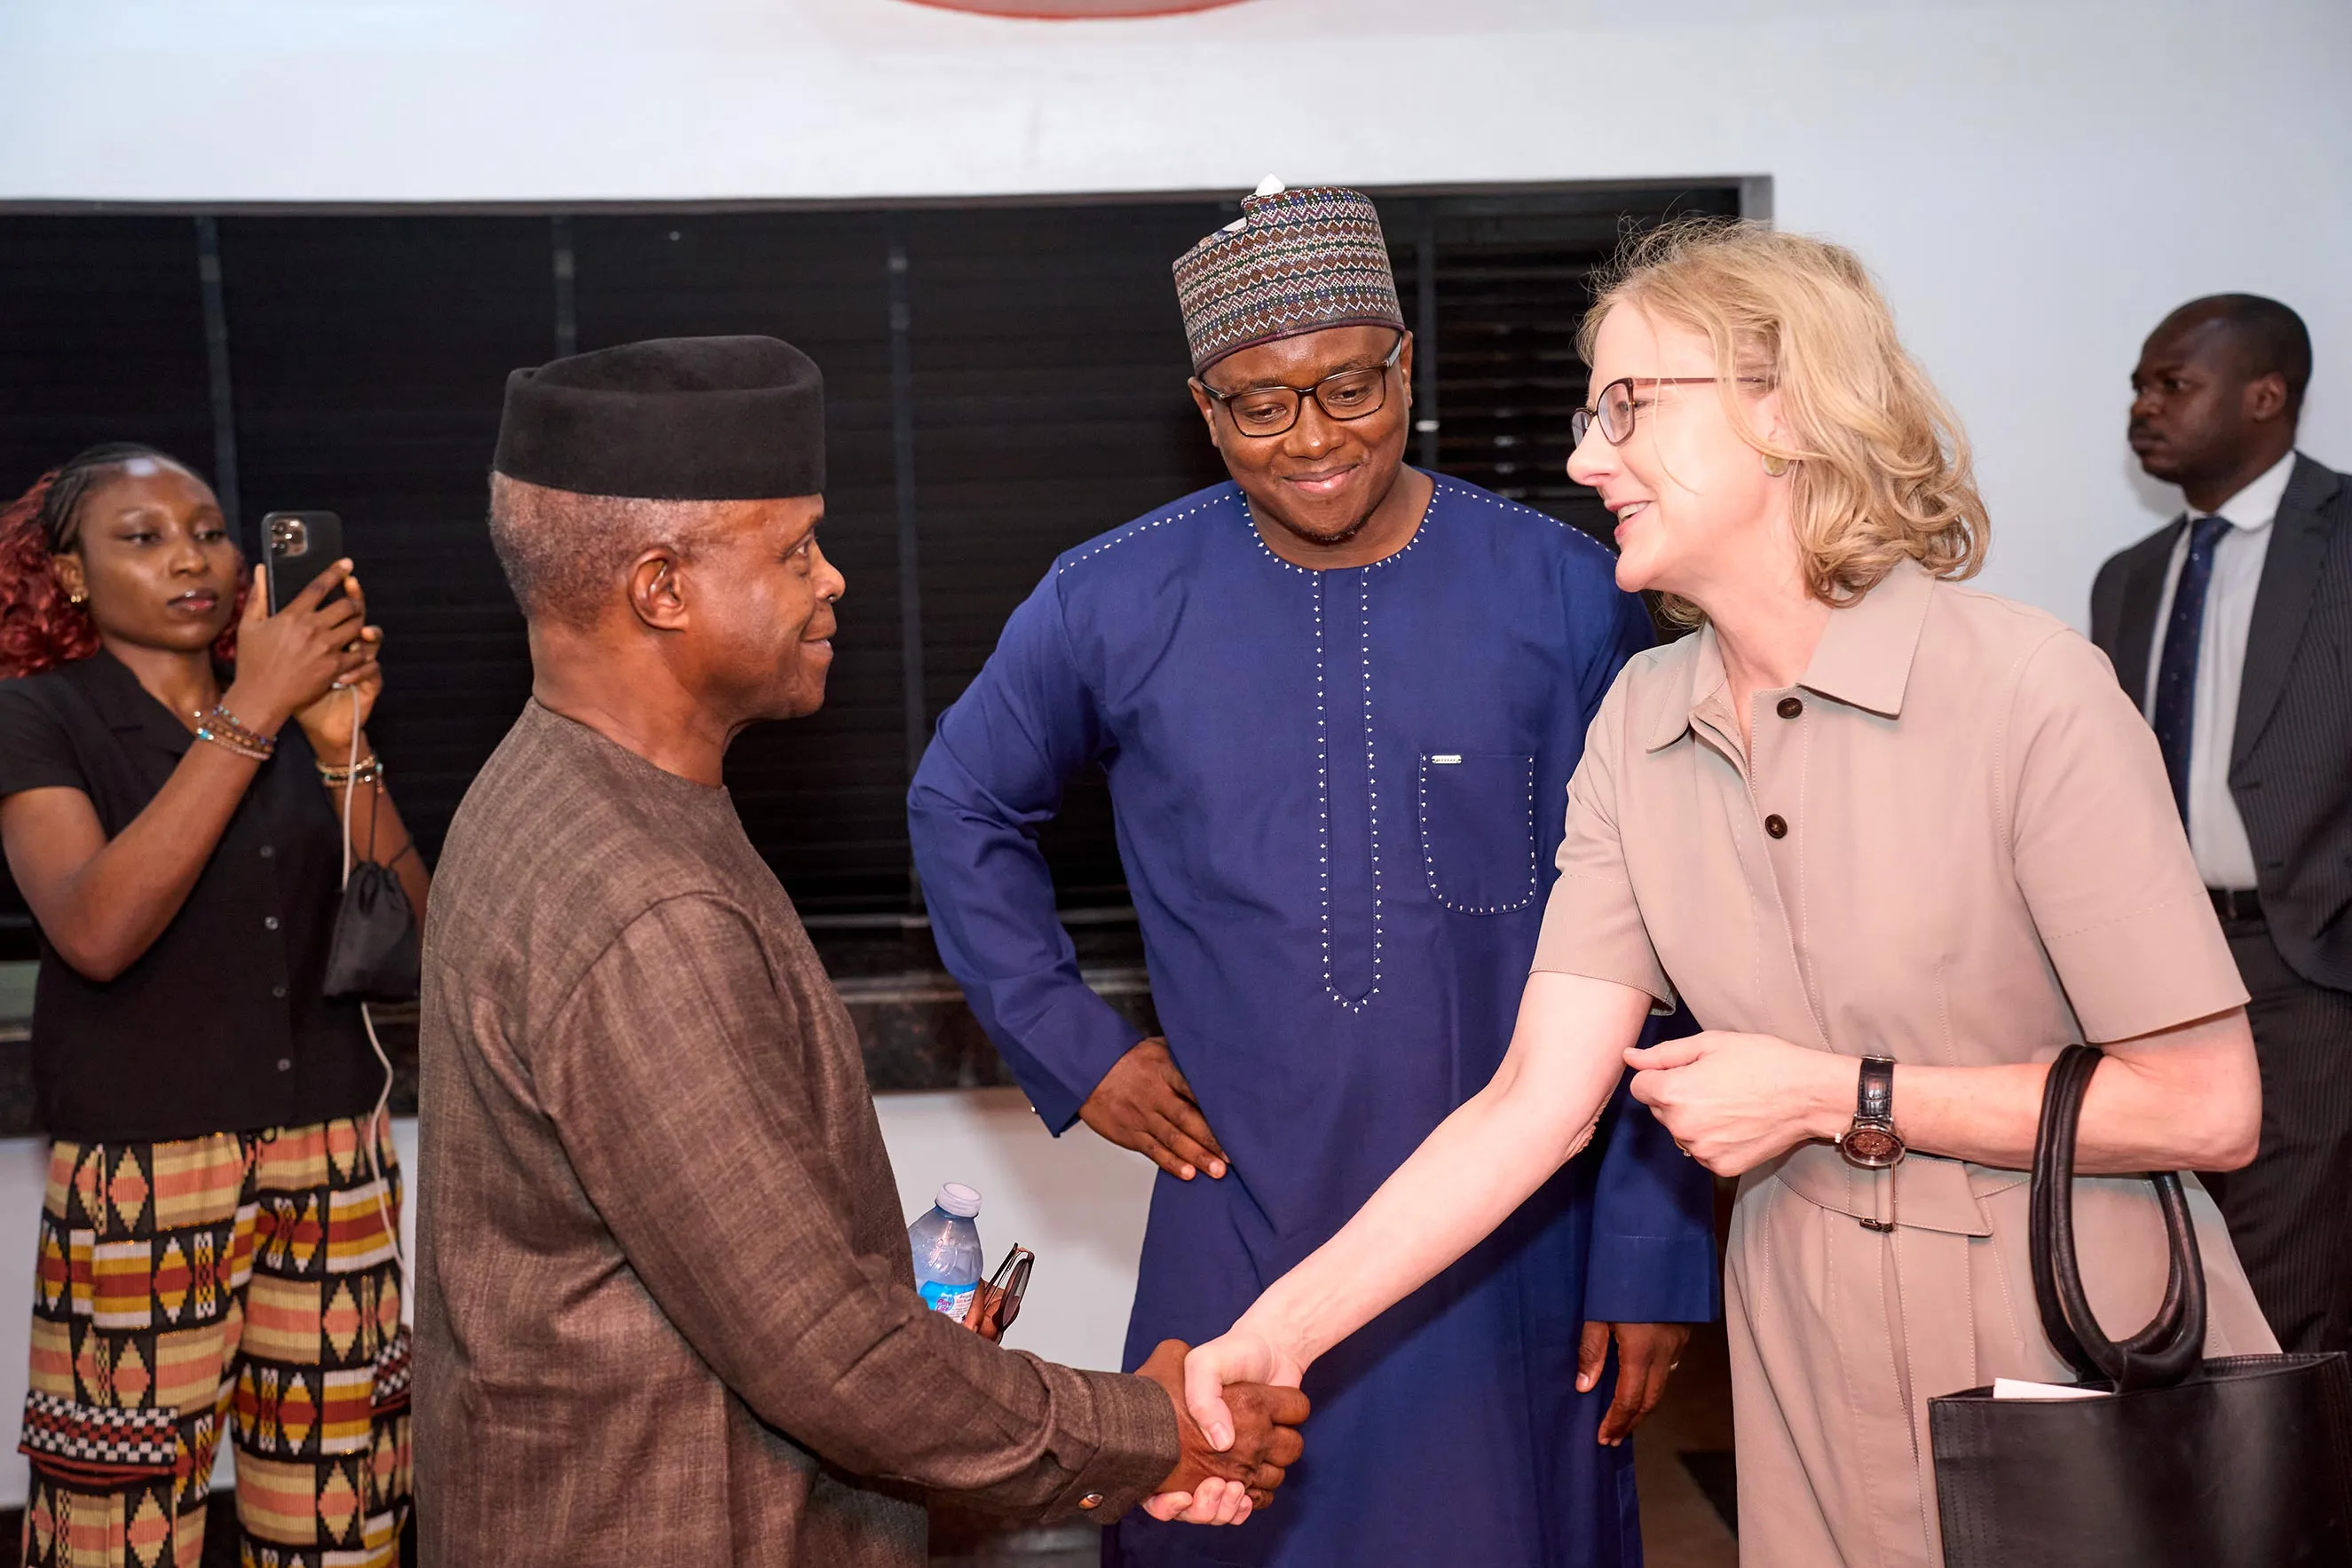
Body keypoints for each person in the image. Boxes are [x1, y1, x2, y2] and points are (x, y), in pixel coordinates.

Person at [1177, 221, 2280, 1566]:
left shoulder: (2025, 687)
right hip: (1801, 1349)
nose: (1587, 459)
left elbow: (2204, 1104)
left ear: (1788, 408)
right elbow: (1533, 1102)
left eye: (1627, 407)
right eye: (1592, 415)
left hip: (2071, 1330)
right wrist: (1270, 1334)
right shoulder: (1638, 720)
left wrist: (1837, 1093)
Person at [908, 184, 1715, 1568]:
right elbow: (960, 799)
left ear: (1405, 365)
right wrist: (1071, 1043)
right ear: (1204, 407)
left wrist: (1645, 1245)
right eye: (1259, 405)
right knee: (1219, 1511)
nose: (1315, 438)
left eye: (1349, 387)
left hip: (1510, 1228)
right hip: (1241, 1198)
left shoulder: (1568, 589)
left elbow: (1669, 932)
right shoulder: (1111, 597)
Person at [413, 335, 1307, 1568]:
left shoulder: (551, 790)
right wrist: (1148, 1429)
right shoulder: (644, 904)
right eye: (790, 552)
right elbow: (828, 1354)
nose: (830, 580)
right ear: (659, 587)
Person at [0, 443, 427, 1565]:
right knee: (117, 1525)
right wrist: (250, 710)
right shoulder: (42, 719)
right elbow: (96, 931)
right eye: (142, 538)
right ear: (75, 576)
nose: (190, 557)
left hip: (333, 1154)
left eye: (207, 531)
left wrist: (341, 747)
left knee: (344, 1512)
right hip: (144, 1171)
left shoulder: (306, 714)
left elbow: (424, 938)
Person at [2091, 295, 2352, 1355]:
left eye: (2171, 386)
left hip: (2306, 968)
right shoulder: (2130, 579)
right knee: (2167, 1266)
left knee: (2290, 1284)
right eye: (2138, 387)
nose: (2142, 409)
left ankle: (2287, 1519)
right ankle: (2193, 1508)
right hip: (2155, 964)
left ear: (2265, 395)